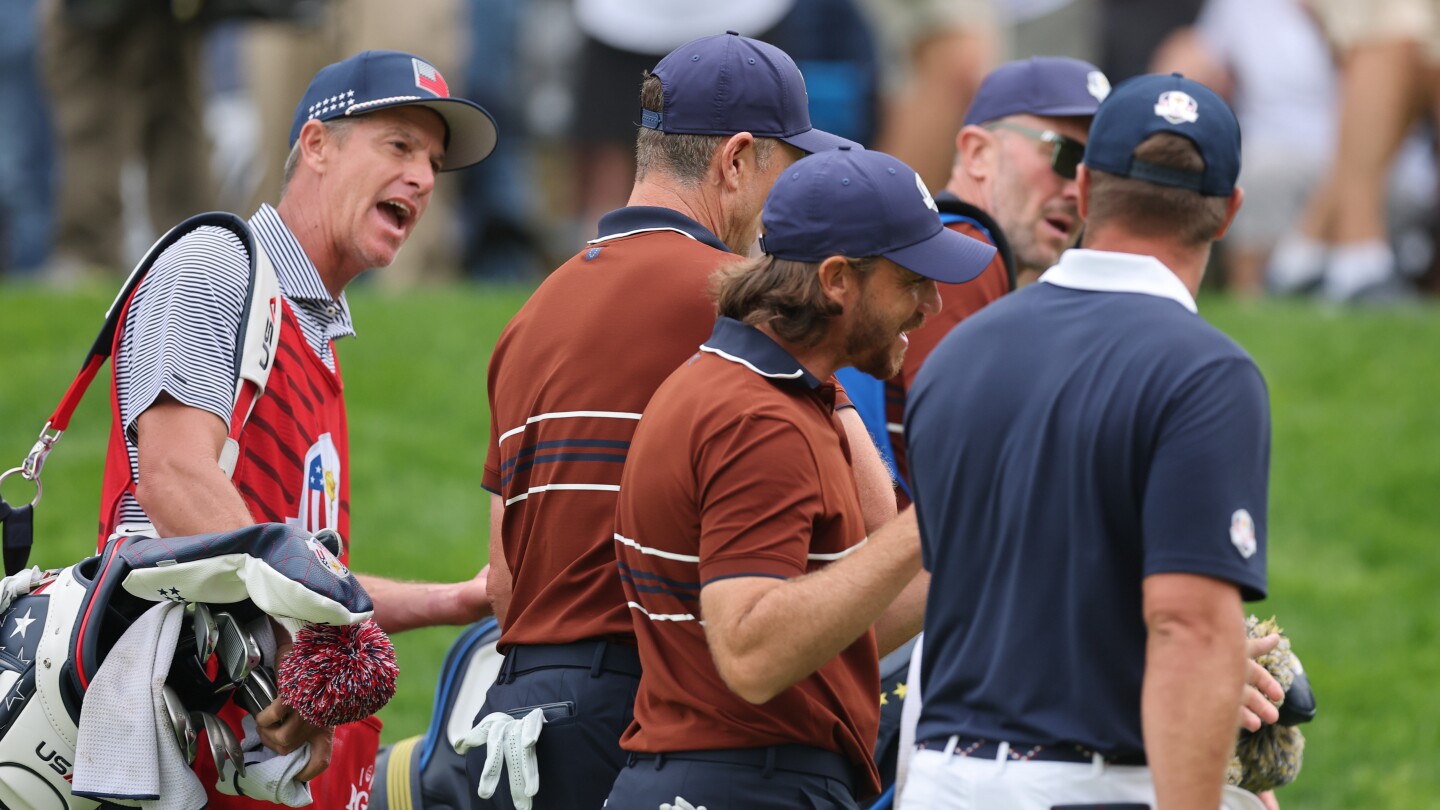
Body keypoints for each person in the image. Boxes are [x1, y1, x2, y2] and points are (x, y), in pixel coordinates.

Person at [468, 31, 896, 810]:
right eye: (787, 171)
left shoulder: (528, 316)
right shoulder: (747, 306)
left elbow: (506, 581)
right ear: (736, 161)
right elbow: (874, 535)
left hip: (522, 728)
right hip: (664, 725)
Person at [96, 50, 497, 807]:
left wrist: (461, 600)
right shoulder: (218, 264)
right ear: (316, 146)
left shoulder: (311, 336)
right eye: (398, 146)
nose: (421, 178)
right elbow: (175, 481)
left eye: (433, 164)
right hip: (176, 754)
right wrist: (293, 657)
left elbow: (296, 579)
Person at [901, 73, 1272, 809]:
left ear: (1089, 187)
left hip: (939, 780)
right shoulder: (1207, 373)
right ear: (1227, 212)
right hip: (1088, 784)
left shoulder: (959, 354)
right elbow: (1189, 625)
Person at [605, 147, 994, 810]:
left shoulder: (752, 391)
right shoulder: (757, 420)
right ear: (838, 279)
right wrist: (925, 525)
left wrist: (983, 535)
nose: (931, 304)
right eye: (912, 280)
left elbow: (834, 632)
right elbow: (754, 653)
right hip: (743, 785)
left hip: (724, 778)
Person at [871, 55, 1108, 504]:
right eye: (1065, 155)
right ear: (979, 153)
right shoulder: (963, 252)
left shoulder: (939, 244)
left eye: (1096, 174)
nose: (1079, 192)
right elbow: (967, 470)